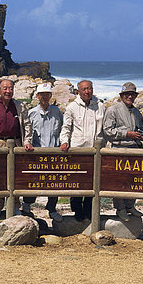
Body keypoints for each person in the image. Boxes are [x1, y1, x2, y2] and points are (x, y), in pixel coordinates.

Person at [0, 79, 34, 218]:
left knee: (15, 176)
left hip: (16, 143)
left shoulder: (20, 106)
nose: (8, 91)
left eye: (10, 88)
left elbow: (27, 126)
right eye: (5, 88)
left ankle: (15, 205)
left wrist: (27, 141)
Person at [60, 79, 105, 222]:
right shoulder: (72, 107)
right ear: (78, 91)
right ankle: (77, 211)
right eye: (84, 89)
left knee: (93, 182)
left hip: (96, 151)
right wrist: (64, 141)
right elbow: (66, 127)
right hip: (78, 151)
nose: (87, 91)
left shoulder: (100, 106)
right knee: (77, 182)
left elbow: (105, 129)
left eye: (89, 88)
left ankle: (89, 210)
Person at [103, 82, 143, 222]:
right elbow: (107, 131)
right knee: (119, 181)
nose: (129, 96)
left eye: (132, 94)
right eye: (127, 94)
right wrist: (127, 134)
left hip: (135, 150)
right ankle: (120, 209)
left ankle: (130, 206)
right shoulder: (112, 110)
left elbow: (141, 129)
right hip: (119, 150)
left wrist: (142, 135)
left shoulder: (137, 112)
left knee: (134, 180)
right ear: (121, 95)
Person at [22, 83, 64, 222]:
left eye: (47, 94)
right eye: (42, 94)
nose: (45, 97)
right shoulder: (32, 113)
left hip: (54, 153)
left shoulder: (57, 111)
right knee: (34, 181)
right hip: (36, 155)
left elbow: (62, 130)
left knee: (54, 182)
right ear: (37, 96)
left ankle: (51, 209)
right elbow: (27, 132)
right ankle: (27, 205)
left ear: (51, 96)